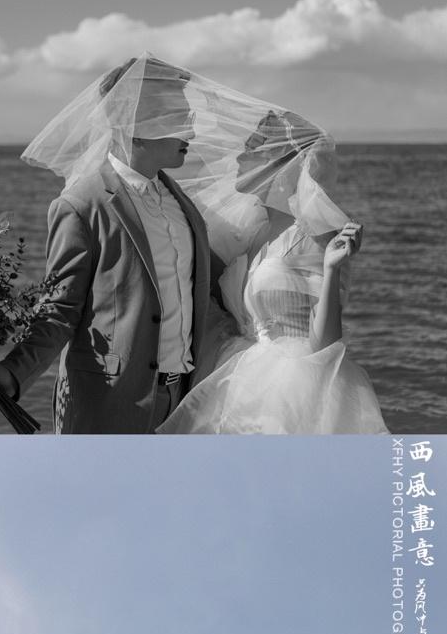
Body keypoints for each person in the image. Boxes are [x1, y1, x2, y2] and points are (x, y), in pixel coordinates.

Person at [0, 57, 235, 433]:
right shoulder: (81, 206)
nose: (192, 131)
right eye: (179, 117)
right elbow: (59, 309)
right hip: (109, 405)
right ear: (137, 124)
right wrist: (12, 371)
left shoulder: (182, 203)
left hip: (185, 401)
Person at [160, 110, 387, 434]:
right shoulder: (255, 232)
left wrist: (332, 268)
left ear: (282, 163)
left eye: (252, 149)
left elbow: (325, 344)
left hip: (292, 391)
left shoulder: (312, 238)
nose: (239, 157)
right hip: (237, 378)